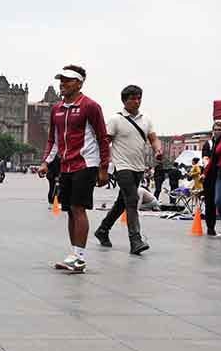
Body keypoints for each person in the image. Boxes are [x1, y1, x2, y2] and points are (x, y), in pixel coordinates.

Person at [38, 64, 110, 273]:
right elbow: (53, 139)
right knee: (69, 209)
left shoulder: (90, 106)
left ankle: (79, 257)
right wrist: (45, 162)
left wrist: (103, 168)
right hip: (66, 164)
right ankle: (74, 254)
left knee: (78, 208)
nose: (62, 84)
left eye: (68, 80)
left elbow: (102, 138)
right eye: (61, 80)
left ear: (79, 83)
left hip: (86, 163)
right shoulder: (57, 109)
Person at [93, 84, 162, 255]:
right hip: (121, 166)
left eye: (139, 98)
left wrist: (157, 150)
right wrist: (102, 165)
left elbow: (154, 139)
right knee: (132, 199)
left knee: (121, 203)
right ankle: (135, 240)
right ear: (124, 101)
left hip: (139, 167)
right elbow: (104, 142)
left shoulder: (146, 120)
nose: (136, 101)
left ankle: (102, 229)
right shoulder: (115, 120)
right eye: (132, 98)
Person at [200, 121, 221, 236]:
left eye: (219, 129)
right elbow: (205, 159)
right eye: (215, 129)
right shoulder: (208, 144)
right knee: (210, 203)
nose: (217, 131)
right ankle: (210, 227)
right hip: (209, 175)